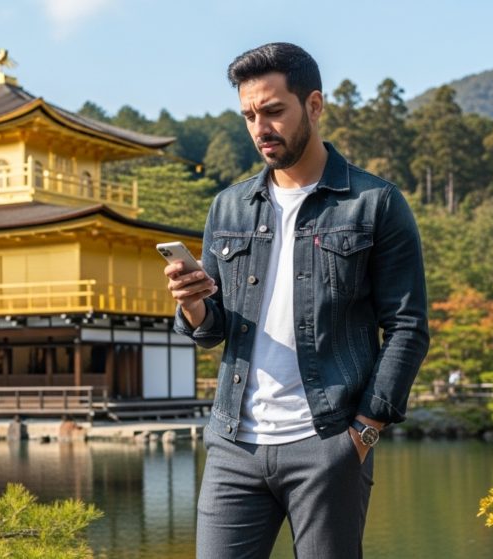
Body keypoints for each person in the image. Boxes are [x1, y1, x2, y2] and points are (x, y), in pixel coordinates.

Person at [165, 42, 429, 558]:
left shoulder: (374, 204)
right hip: (232, 444)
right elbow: (213, 329)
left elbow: (407, 327)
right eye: (248, 115)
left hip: (328, 441)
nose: (260, 127)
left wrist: (363, 433)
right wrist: (191, 303)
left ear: (313, 105)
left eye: (273, 111)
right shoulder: (229, 208)